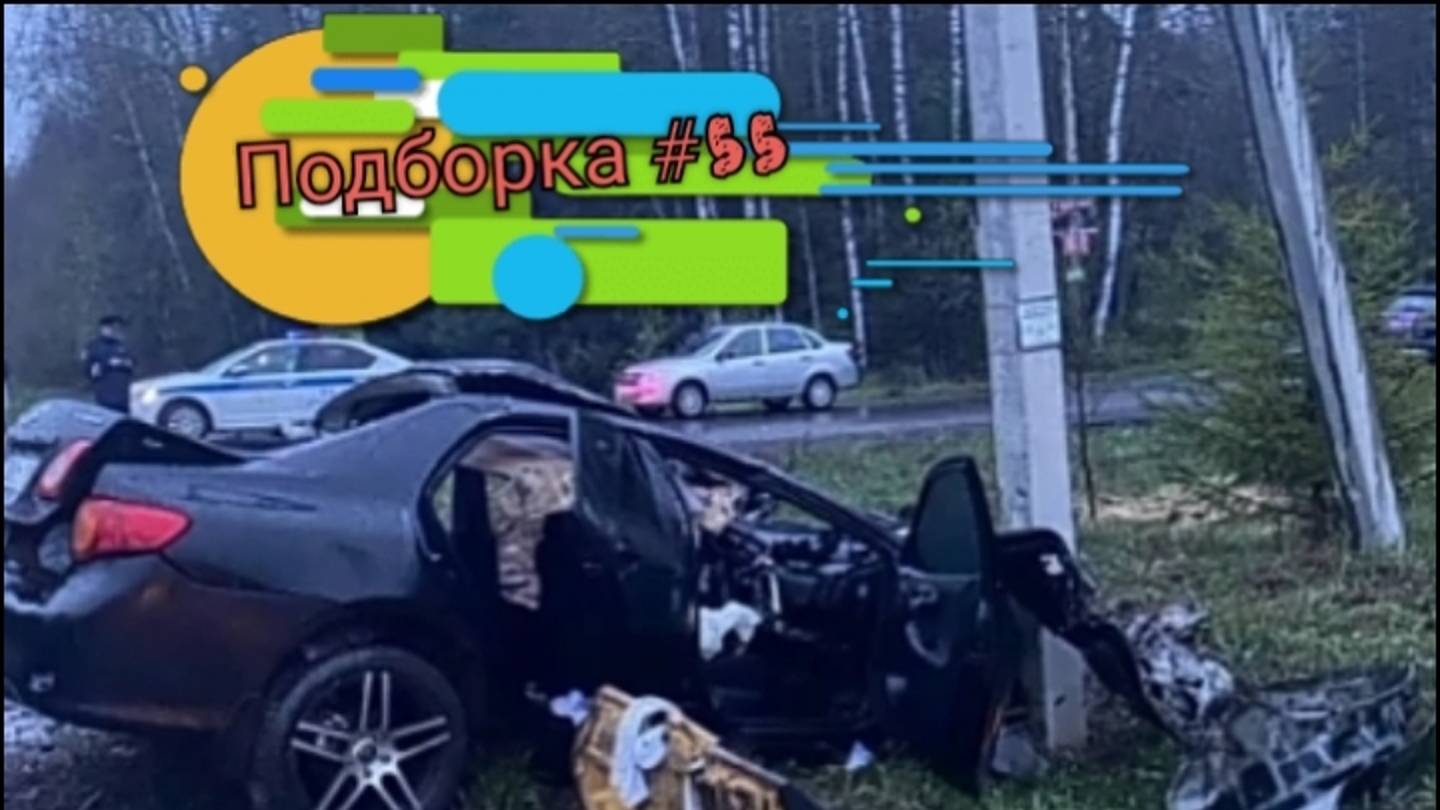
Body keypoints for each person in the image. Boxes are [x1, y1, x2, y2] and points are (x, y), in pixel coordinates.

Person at [83, 316, 136, 414]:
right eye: (109, 328)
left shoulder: (122, 346)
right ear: (102, 329)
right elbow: (90, 371)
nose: (111, 330)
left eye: (113, 328)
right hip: (104, 394)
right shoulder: (94, 346)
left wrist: (123, 363)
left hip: (123, 395)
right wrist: (108, 364)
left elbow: (132, 363)